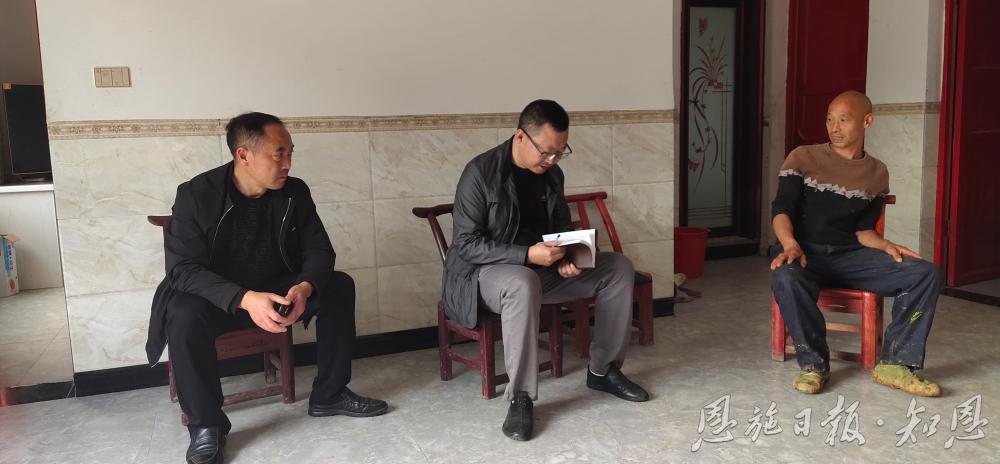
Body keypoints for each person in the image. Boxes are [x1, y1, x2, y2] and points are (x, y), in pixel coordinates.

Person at [146, 112, 388, 464]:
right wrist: (245, 299)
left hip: (276, 290)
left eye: (290, 153)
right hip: (222, 298)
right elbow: (182, 270)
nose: (287, 163)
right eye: (279, 154)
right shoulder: (196, 194)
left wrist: (304, 288)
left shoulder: (294, 192)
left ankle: (330, 394)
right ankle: (206, 426)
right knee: (182, 312)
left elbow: (320, 250)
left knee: (338, 286)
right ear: (243, 155)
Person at [442, 99, 649, 441]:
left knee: (618, 268)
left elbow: (562, 227)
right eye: (546, 152)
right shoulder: (480, 173)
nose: (551, 160)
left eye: (559, 152)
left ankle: (603, 371)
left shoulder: (552, 175)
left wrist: (570, 256)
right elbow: (466, 244)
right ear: (520, 137)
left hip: (543, 269)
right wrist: (526, 254)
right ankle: (521, 397)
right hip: (486, 275)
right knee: (522, 281)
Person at [770, 91, 942, 397]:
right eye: (829, 119)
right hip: (803, 252)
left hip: (850, 256)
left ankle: (895, 364)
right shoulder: (803, 157)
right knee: (786, 277)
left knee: (925, 273)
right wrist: (790, 245)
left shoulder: (877, 172)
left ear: (867, 121)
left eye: (844, 119)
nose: (834, 127)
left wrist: (886, 245)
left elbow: (863, 230)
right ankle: (814, 366)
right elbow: (781, 209)